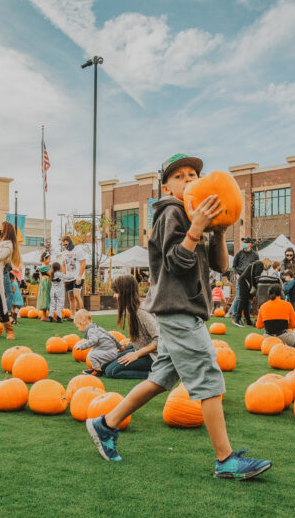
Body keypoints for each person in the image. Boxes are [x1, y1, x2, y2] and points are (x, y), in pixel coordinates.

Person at [86, 152, 271, 480]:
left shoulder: (192, 213)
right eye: (179, 176)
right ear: (167, 186)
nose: (188, 180)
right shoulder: (171, 212)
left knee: (160, 380)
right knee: (209, 377)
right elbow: (174, 263)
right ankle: (225, 460)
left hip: (180, 310)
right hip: (178, 309)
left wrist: (218, 230)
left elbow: (221, 266)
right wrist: (196, 228)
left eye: (192, 175)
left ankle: (105, 424)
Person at [105, 275, 160, 379]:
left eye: (116, 292)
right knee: (105, 365)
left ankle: (158, 375)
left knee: (111, 371)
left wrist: (136, 354)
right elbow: (141, 339)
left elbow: (159, 339)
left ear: (124, 292)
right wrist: (125, 347)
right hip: (141, 351)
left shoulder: (141, 313)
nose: (114, 296)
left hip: (154, 357)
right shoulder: (131, 310)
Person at [72, 308, 120, 376]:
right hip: (111, 351)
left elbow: (93, 340)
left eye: (77, 327)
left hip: (109, 352)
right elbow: (111, 336)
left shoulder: (91, 331)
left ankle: (98, 371)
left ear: (81, 324)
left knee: (92, 355)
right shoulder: (97, 328)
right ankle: (94, 368)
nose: (78, 329)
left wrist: (81, 346)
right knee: (92, 352)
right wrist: (120, 346)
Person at [235, 258, 272, 327]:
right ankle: (237, 318)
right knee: (243, 300)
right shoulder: (260, 264)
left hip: (245, 281)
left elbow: (254, 276)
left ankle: (247, 320)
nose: (268, 267)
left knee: (246, 301)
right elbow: (256, 277)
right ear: (266, 263)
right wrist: (257, 287)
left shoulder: (257, 263)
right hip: (245, 281)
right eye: (269, 265)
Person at [230, 238, 259, 325]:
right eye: (243, 242)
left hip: (250, 279)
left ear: (250, 244)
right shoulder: (239, 253)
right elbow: (234, 266)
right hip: (240, 278)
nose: (244, 243)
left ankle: (247, 318)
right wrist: (236, 275)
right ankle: (235, 316)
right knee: (239, 297)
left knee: (247, 300)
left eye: (246, 242)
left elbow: (256, 267)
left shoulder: (255, 255)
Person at [57, 236, 87, 312]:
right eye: (63, 245)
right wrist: (63, 276)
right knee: (71, 297)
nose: (65, 246)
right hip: (68, 278)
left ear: (70, 243)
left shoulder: (78, 250)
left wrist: (79, 276)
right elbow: (63, 265)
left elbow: (83, 263)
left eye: (66, 244)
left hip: (78, 277)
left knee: (76, 295)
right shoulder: (64, 253)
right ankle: (72, 315)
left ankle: (82, 314)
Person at [36, 250, 51, 317]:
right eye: (49, 259)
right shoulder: (45, 268)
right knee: (47, 297)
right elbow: (51, 275)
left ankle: (44, 315)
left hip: (42, 282)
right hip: (46, 283)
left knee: (44, 297)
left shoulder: (41, 267)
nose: (50, 260)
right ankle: (47, 315)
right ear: (45, 259)